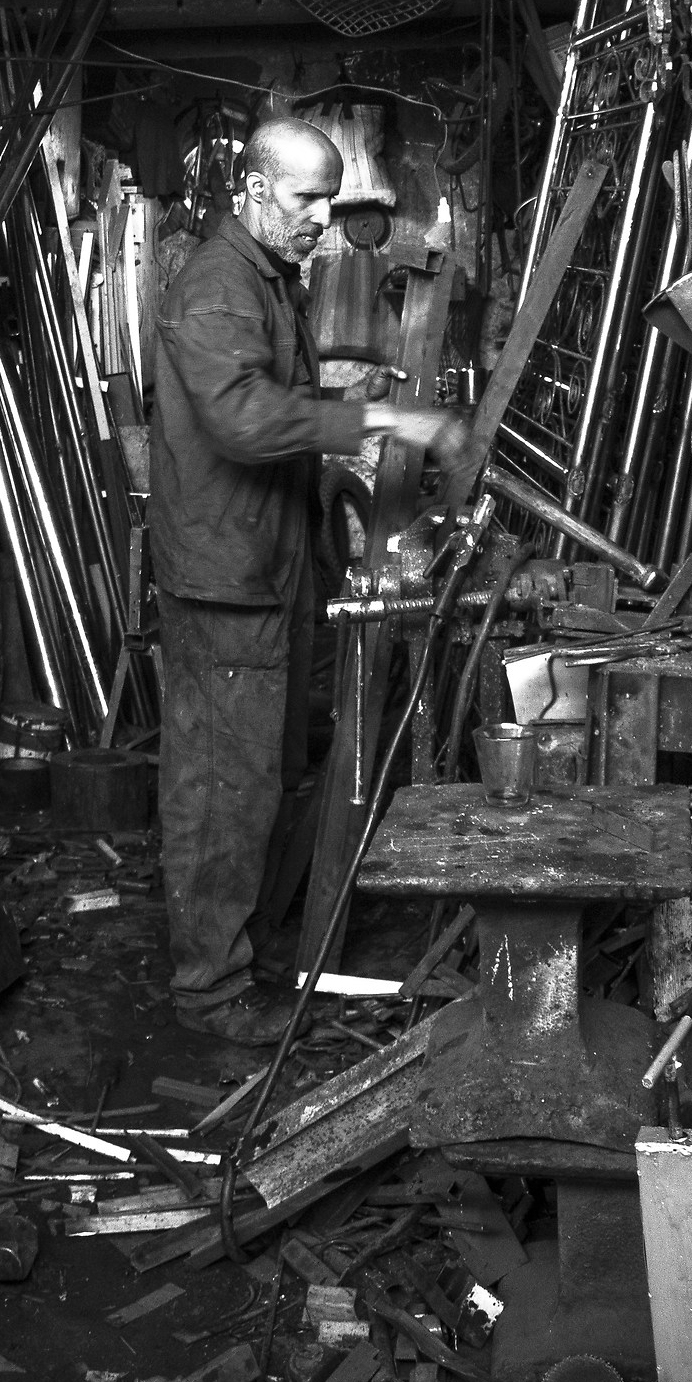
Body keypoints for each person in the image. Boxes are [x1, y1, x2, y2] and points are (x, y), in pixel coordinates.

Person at [149, 116, 469, 1044]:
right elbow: (244, 420)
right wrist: (381, 427)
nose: (321, 219)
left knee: (264, 773)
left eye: (330, 200)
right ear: (252, 190)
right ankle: (207, 988)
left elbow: (279, 399)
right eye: (304, 199)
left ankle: (243, 945)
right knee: (222, 786)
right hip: (224, 577)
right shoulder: (215, 285)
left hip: (265, 564)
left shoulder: (266, 279)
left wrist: (365, 410)